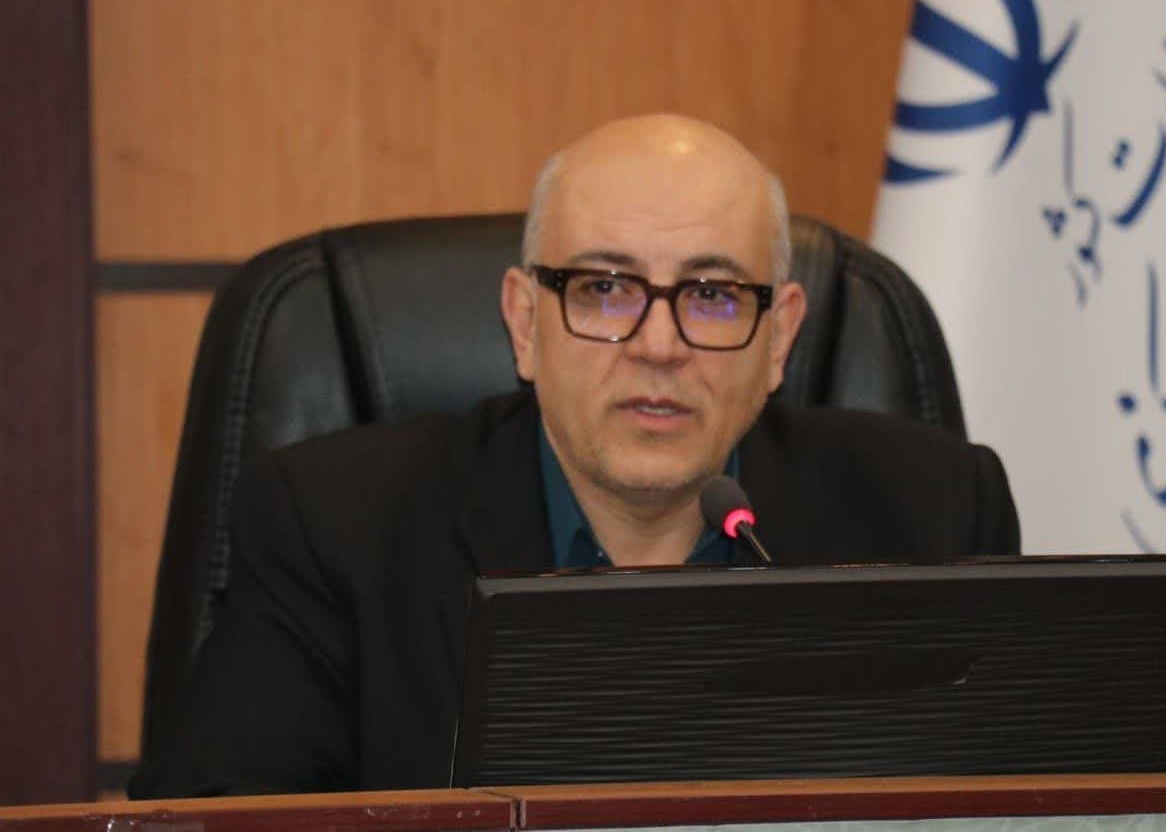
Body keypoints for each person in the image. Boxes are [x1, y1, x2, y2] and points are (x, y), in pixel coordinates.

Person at [130, 114, 1019, 798]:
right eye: (604, 288)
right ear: (525, 322)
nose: (659, 346)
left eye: (712, 295)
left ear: (779, 336)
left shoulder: (933, 515)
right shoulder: (333, 527)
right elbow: (218, 813)